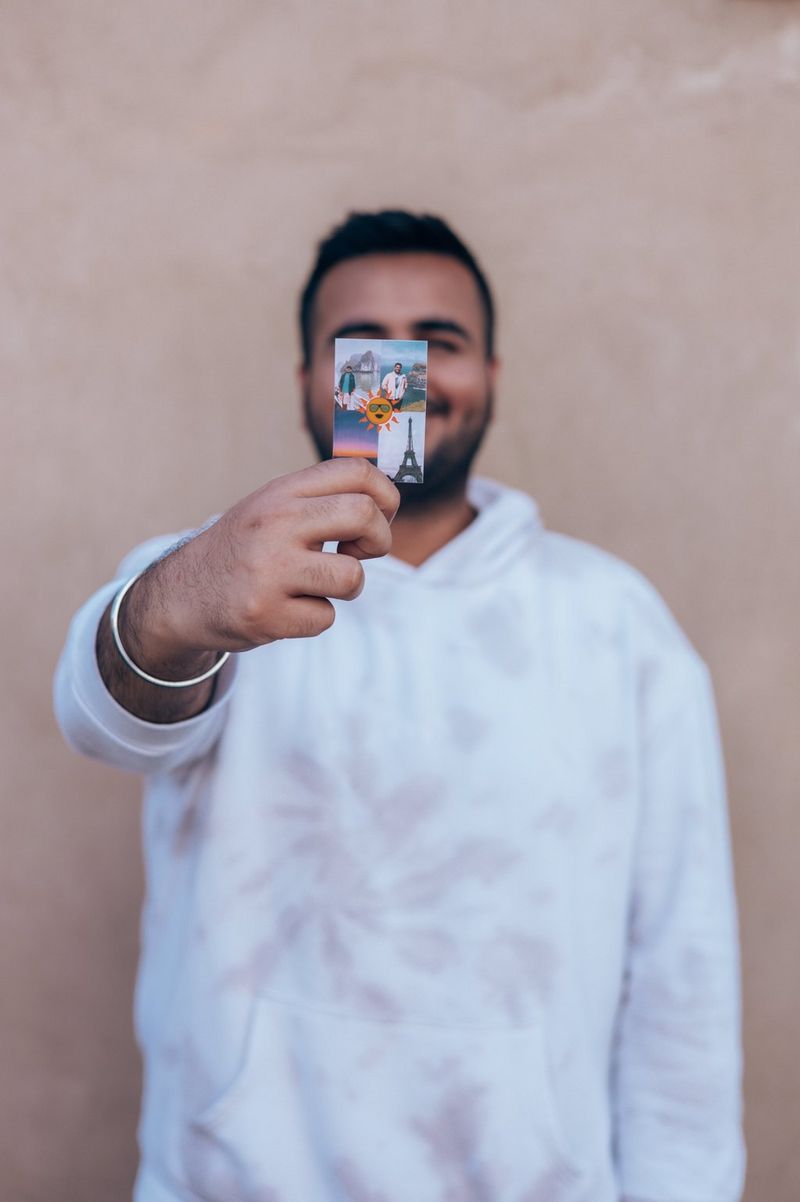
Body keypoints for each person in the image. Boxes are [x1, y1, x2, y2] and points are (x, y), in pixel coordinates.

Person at [54, 210, 745, 1202]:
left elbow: (682, 971)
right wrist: (177, 602)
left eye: (438, 341)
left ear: (491, 373)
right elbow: (101, 719)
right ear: (307, 378)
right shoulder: (215, 576)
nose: (401, 376)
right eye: (363, 345)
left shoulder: (616, 620)